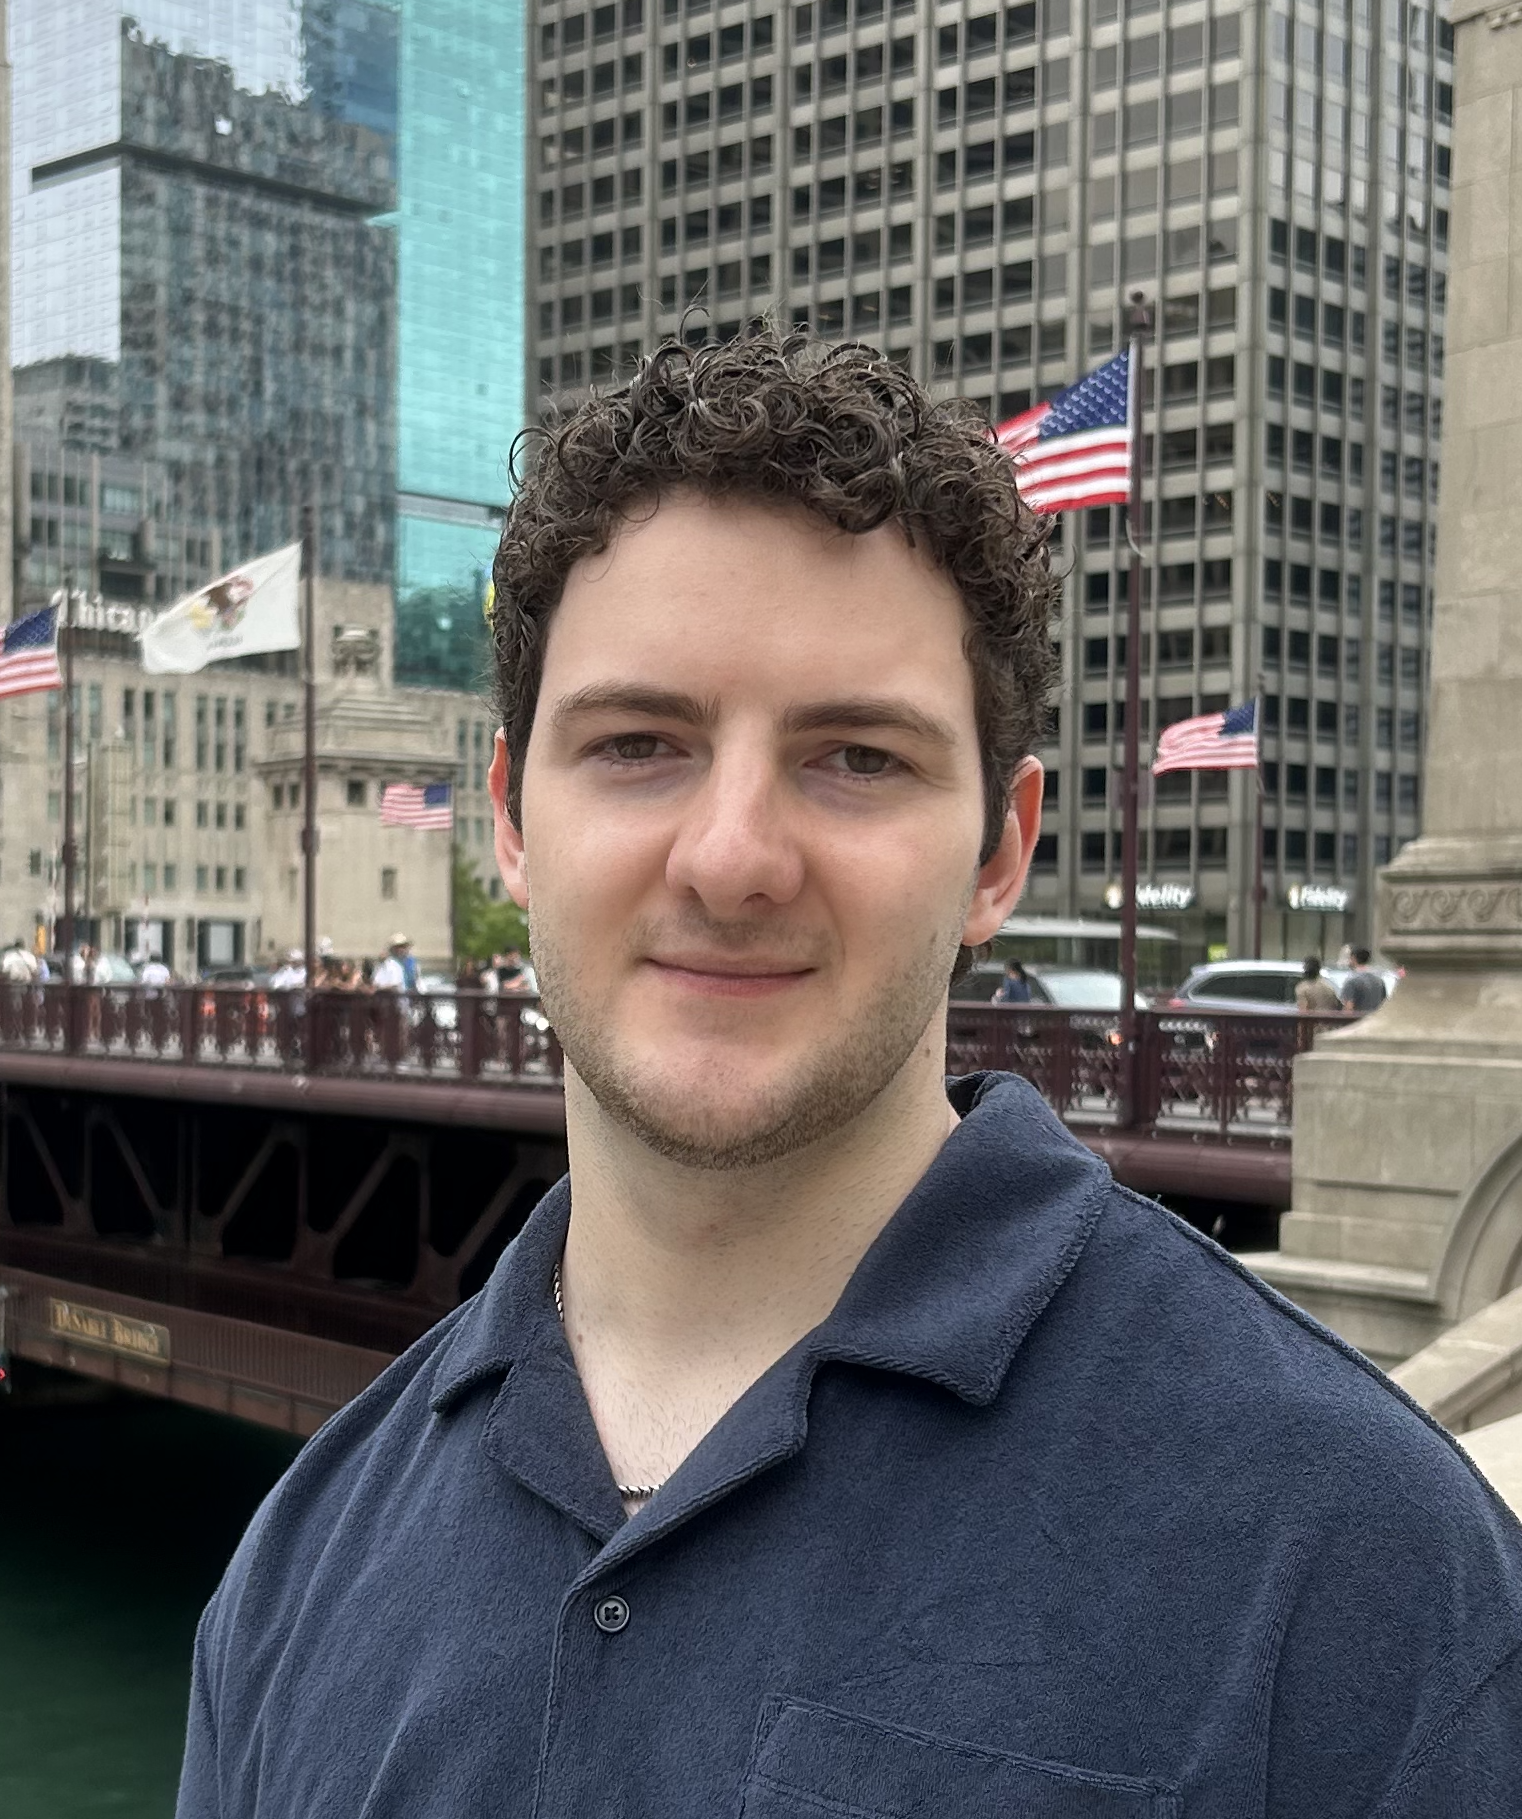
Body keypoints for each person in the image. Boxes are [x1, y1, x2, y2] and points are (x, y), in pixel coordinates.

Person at [178, 334, 1522, 1818]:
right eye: (638, 744)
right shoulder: (295, 1562)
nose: (732, 858)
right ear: (508, 819)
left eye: (857, 759)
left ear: (1000, 852)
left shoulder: (1363, 1563)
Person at [1340, 946, 1388, 1016]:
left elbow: (1348, 1008)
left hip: (1358, 1020)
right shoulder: (1379, 981)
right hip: (1375, 1020)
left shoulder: (1351, 981)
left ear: (1353, 958)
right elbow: (1384, 1004)